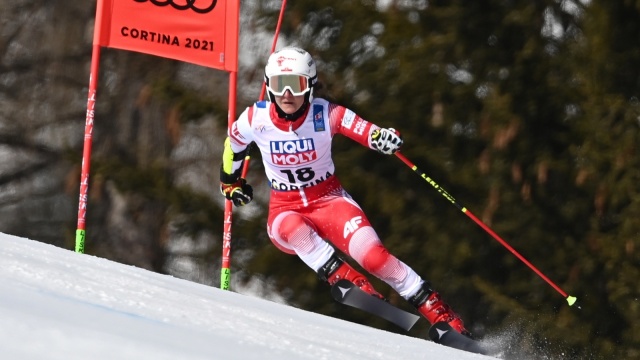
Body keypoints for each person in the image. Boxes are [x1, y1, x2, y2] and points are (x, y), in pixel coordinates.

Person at [219, 47, 470, 336]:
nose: (287, 94)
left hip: (329, 201)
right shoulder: (255, 119)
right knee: (293, 227)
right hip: (284, 210)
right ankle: (349, 281)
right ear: (268, 86)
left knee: (375, 257)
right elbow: (232, 146)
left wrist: (382, 137)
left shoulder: (326, 113)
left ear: (310, 86)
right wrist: (230, 182)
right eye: (278, 85)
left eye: (296, 84)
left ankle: (442, 315)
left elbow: (364, 129)